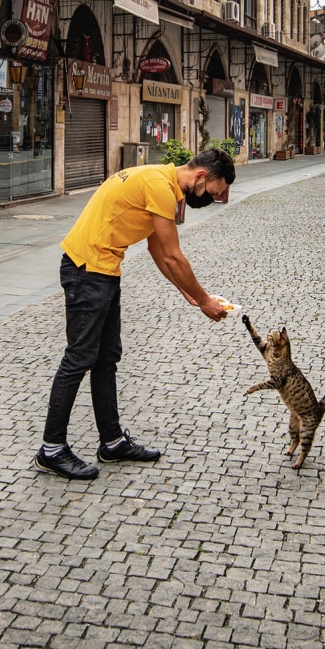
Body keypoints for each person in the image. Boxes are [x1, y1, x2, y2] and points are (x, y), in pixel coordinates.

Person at [35, 147, 236, 480]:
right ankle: (52, 449)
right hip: (86, 269)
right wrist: (203, 300)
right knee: (79, 357)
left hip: (103, 269)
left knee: (106, 357)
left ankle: (112, 442)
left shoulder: (161, 181)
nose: (212, 198)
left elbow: (157, 247)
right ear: (201, 176)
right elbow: (173, 255)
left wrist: (185, 291)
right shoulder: (159, 186)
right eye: (213, 193)